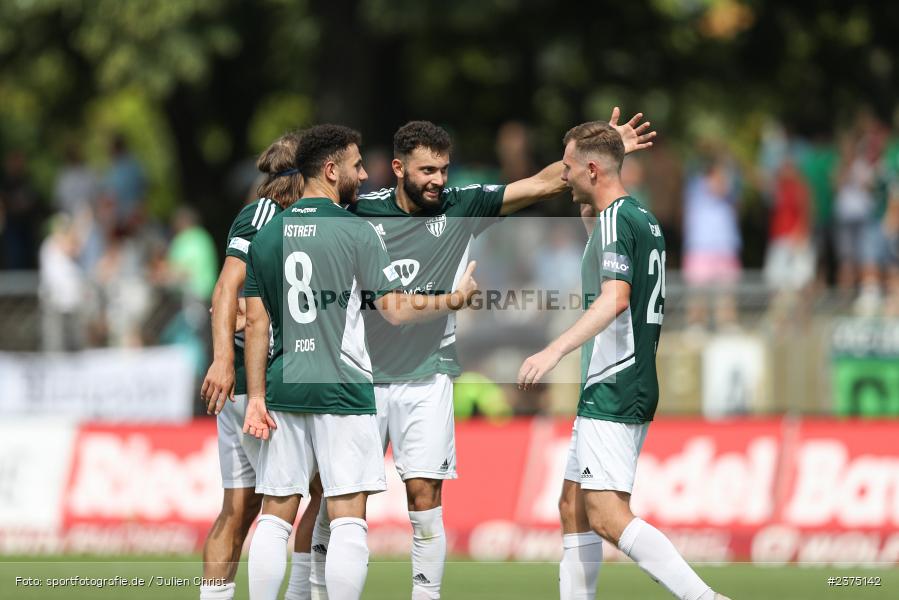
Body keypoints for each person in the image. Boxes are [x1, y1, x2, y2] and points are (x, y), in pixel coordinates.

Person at [342, 109, 653, 599]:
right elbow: (303, 220)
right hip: (361, 375)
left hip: (428, 377)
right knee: (344, 504)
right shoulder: (360, 209)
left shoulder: (461, 205)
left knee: (425, 498)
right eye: (427, 171)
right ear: (399, 169)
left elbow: (542, 183)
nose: (438, 182)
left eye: (443, 170)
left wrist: (604, 148)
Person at [240, 124, 478, 600]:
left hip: (285, 384)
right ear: (330, 170)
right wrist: (453, 300)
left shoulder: (268, 235)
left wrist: (256, 399)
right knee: (348, 516)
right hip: (344, 387)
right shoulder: (357, 231)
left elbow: (255, 321)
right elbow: (395, 311)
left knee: (275, 514)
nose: (363, 174)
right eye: (354, 166)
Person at [517, 121, 730, 600]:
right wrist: (615, 151)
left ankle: (705, 598)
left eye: (570, 168)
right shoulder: (638, 216)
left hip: (615, 381)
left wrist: (554, 350)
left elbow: (615, 297)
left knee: (608, 516)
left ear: (591, 169)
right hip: (619, 379)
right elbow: (596, 229)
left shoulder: (618, 219)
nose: (562, 177)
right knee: (571, 504)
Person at [198, 132, 323, 600]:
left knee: (243, 507)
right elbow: (226, 289)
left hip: (257, 379)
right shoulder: (267, 214)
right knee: (318, 493)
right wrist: (224, 362)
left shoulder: (295, 215)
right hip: (262, 382)